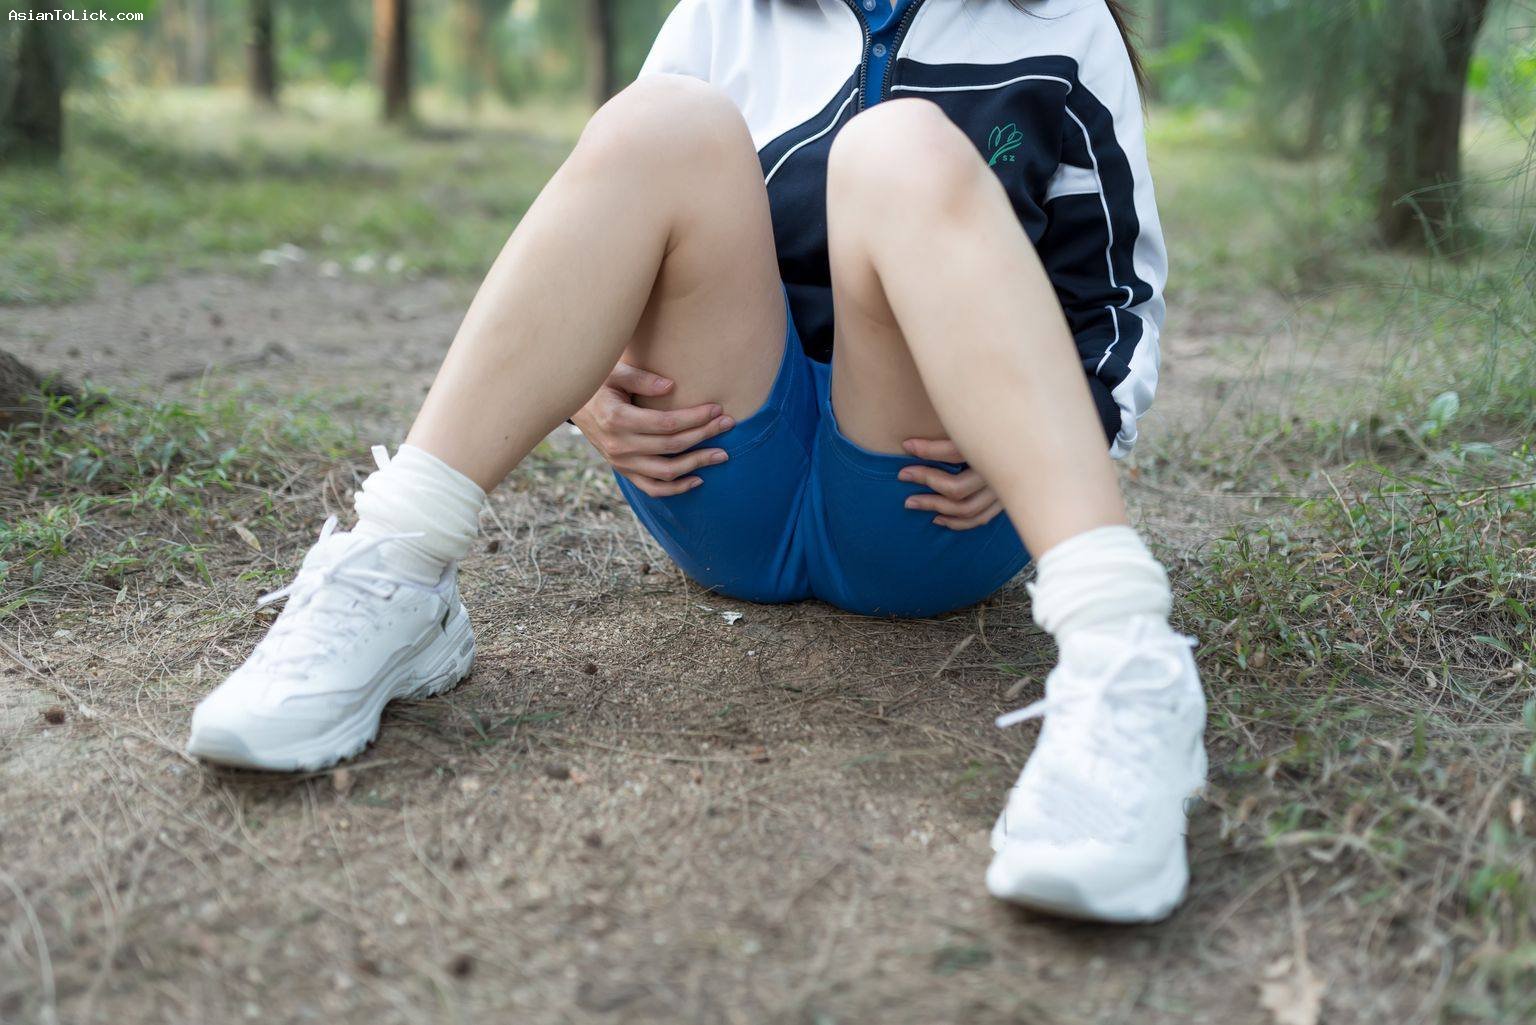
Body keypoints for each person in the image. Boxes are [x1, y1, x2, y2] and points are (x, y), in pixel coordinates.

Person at [186, 0, 1207, 924]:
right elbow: (608, 224)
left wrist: (1063, 428)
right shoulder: (724, 15)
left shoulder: (1061, 24)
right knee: (661, 121)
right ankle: (397, 564)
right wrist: (589, 386)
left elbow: (1116, 297)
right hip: (718, 467)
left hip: (932, 493)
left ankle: (1123, 661)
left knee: (900, 147)